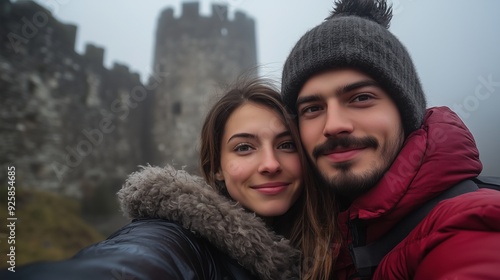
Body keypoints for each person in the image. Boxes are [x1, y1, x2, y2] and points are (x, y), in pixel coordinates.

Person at [1, 78, 305, 280]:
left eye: (286, 144)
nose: (269, 164)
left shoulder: (338, 233)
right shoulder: (176, 237)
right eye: (243, 147)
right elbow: (134, 261)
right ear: (215, 167)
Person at [281, 0, 500, 279]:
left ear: (404, 112)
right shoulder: (309, 226)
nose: (334, 126)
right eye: (312, 108)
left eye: (361, 98)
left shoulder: (466, 224)